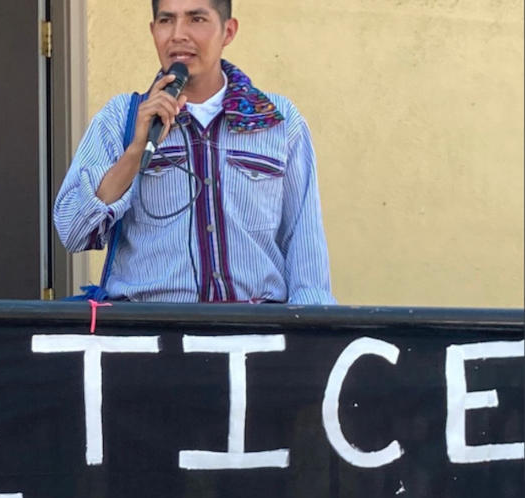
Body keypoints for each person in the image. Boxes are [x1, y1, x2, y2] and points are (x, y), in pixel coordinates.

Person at [54, 0, 334, 304]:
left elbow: (305, 249)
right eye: (166, 21)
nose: (178, 34)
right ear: (153, 31)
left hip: (253, 336)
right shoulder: (121, 117)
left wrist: (310, 337)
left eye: (196, 19)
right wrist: (136, 150)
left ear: (228, 31)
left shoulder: (277, 120)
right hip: (152, 336)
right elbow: (73, 231)